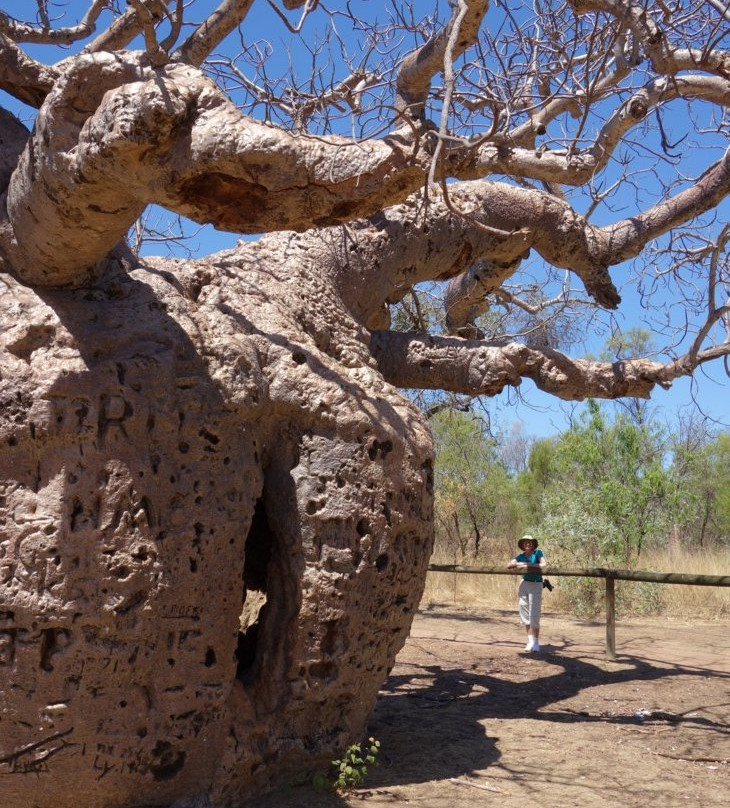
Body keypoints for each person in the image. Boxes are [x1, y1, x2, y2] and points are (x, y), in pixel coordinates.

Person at [507, 534, 547, 652]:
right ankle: (530, 641)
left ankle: (536, 642)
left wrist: (528, 564)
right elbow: (509, 565)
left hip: (536, 584)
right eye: (525, 542)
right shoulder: (521, 556)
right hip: (524, 584)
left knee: (534, 614)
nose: (528, 544)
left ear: (533, 544)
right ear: (523, 545)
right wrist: (519, 564)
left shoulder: (538, 553)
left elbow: (543, 565)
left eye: (529, 542)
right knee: (524, 612)